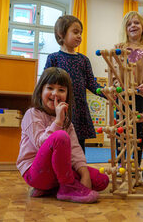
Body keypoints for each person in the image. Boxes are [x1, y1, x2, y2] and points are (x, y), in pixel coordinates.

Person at [16, 67, 109, 203]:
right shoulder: (32, 114)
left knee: (102, 180)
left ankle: (53, 187)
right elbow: (40, 144)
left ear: (67, 95)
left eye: (61, 90)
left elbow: (76, 150)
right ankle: (67, 187)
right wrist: (58, 122)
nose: (55, 94)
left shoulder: (66, 121)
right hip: (34, 173)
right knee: (60, 136)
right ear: (41, 90)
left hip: (56, 171)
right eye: (50, 88)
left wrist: (84, 174)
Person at [44, 15, 103, 153]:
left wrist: (109, 94)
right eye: (75, 32)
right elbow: (46, 84)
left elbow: (92, 84)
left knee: (78, 147)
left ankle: (79, 172)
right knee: (59, 143)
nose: (79, 36)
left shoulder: (84, 60)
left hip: (79, 109)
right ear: (61, 34)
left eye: (80, 33)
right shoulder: (53, 58)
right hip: (60, 109)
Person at [114, 11, 143, 166]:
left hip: (139, 95)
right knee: (121, 129)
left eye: (137, 23)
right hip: (121, 95)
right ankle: (121, 163)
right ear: (125, 29)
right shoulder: (119, 48)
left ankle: (135, 165)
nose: (133, 25)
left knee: (137, 129)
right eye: (129, 24)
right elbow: (114, 69)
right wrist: (117, 85)